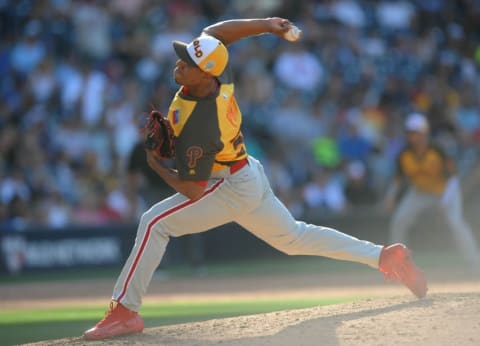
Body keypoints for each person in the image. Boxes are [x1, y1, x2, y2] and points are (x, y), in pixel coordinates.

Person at [83, 18, 427, 340]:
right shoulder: (219, 78)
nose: (178, 64)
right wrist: (266, 25)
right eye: (182, 57)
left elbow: (193, 189)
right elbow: (215, 35)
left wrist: (155, 164)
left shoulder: (204, 121)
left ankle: (125, 310)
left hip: (226, 184)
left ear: (205, 75)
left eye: (187, 62)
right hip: (244, 172)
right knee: (294, 238)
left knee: (154, 222)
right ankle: (384, 256)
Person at [385, 113, 480, 268]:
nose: (413, 137)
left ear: (425, 133)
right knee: (400, 220)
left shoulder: (437, 150)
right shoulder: (404, 154)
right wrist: (391, 196)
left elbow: (453, 178)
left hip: (446, 192)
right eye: (410, 133)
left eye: (416, 133)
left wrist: (445, 200)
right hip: (420, 192)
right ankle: (396, 263)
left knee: (456, 223)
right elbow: (398, 178)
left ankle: (475, 263)